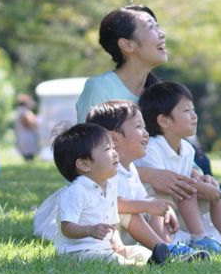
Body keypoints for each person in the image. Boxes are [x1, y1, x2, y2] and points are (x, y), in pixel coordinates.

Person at [75, 5, 203, 203]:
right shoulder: (100, 88)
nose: (162, 34)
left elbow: (171, 145)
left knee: (205, 178)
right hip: (112, 193)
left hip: (160, 185)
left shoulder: (157, 92)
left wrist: (196, 173)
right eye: (152, 27)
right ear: (127, 45)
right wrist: (149, 175)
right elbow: (89, 154)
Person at [136, 81, 221, 253]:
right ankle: (199, 238)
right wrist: (198, 185)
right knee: (189, 189)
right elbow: (165, 184)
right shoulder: (152, 148)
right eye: (186, 110)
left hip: (180, 201)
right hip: (157, 206)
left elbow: (188, 177)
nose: (194, 116)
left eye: (193, 110)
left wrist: (202, 181)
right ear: (164, 121)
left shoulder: (187, 148)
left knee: (208, 187)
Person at [85, 100, 208, 261]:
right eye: (138, 127)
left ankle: (167, 246)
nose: (146, 133)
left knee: (153, 205)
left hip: (126, 236)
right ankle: (163, 247)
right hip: (105, 238)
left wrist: (161, 208)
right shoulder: (106, 172)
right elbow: (112, 203)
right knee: (138, 209)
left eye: (144, 127)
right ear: (114, 139)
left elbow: (144, 199)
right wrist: (149, 206)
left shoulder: (130, 169)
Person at [51, 122, 169, 265]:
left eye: (114, 147)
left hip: (103, 249)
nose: (115, 153)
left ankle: (156, 256)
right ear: (84, 164)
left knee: (137, 251)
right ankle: (139, 267)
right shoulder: (76, 191)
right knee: (112, 260)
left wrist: (116, 243)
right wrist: (89, 230)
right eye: (107, 149)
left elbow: (111, 222)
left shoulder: (110, 185)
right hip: (76, 252)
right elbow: (67, 228)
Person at [14, 94, 39, 161]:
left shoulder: (23, 111)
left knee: (29, 157)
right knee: (29, 158)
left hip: (25, 138)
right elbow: (30, 124)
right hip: (26, 139)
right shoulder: (23, 112)